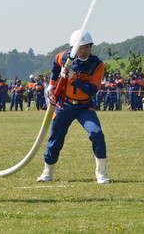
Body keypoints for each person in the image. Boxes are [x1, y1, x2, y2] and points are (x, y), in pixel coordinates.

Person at [37, 30, 109, 184]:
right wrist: (52, 85)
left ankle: (101, 173)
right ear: (73, 48)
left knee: (96, 133)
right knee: (55, 139)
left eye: (87, 47)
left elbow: (92, 90)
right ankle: (47, 172)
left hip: (84, 106)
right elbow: (55, 63)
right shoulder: (64, 57)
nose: (84, 50)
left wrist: (74, 79)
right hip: (64, 105)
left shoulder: (97, 64)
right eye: (81, 47)